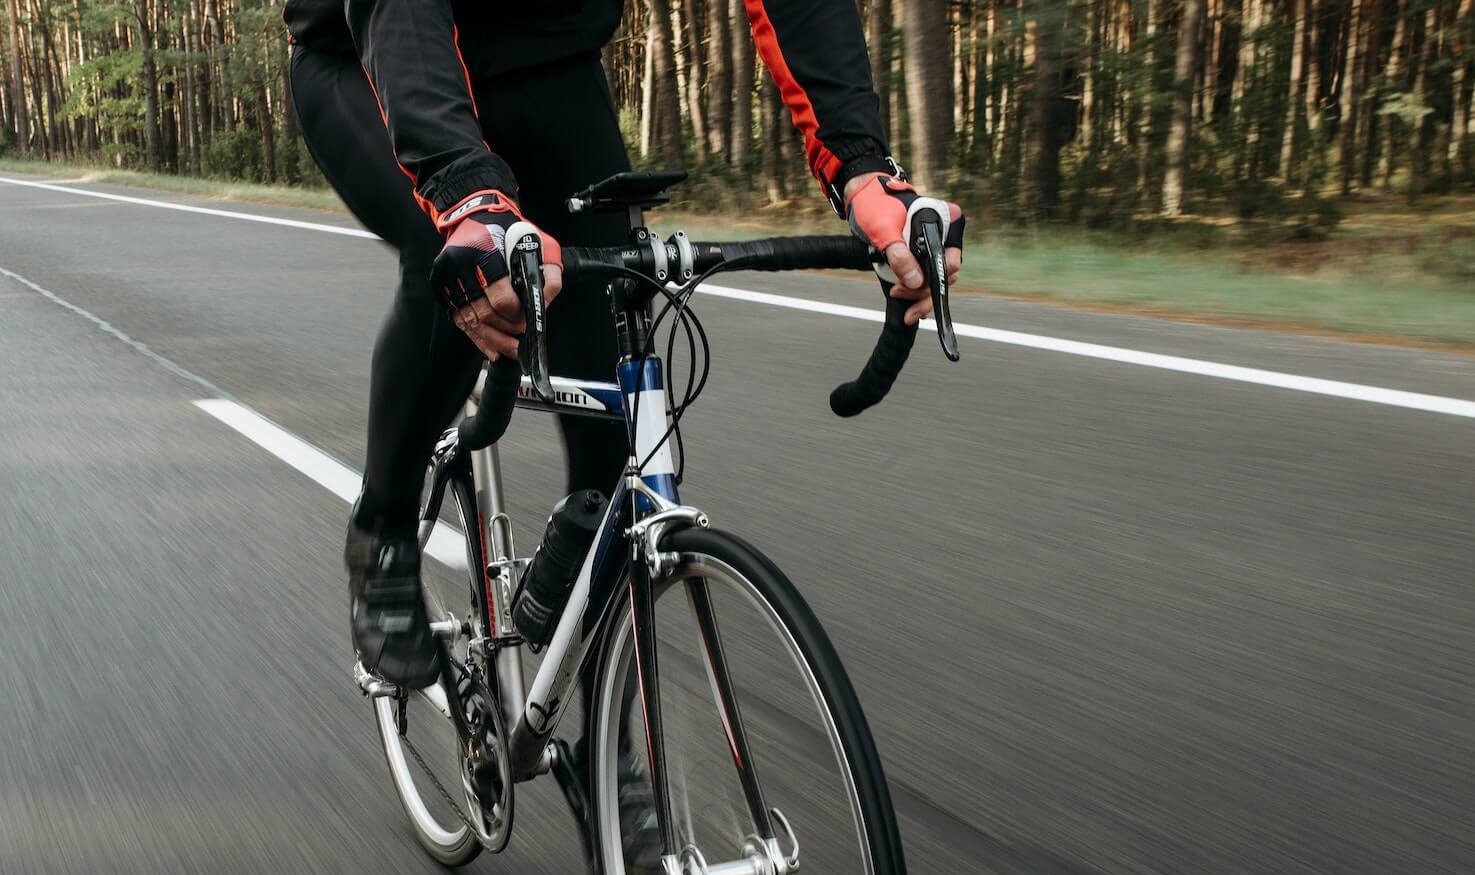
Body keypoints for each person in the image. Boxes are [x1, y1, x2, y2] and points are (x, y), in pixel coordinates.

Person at [286, 1, 966, 691]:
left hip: (547, 63)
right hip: (368, 59)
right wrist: (464, 193)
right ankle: (384, 532)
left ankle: (602, 751)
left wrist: (862, 169)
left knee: (616, 390)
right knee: (462, 266)